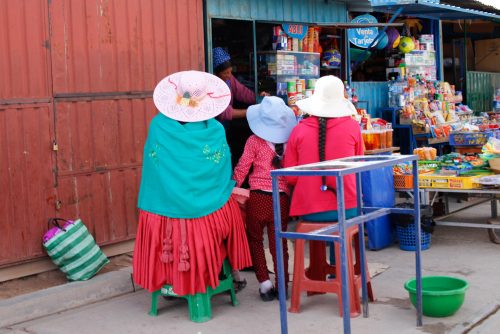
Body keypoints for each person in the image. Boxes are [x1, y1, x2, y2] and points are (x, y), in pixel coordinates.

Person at [133, 70, 252, 296]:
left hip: (163, 209)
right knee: (232, 210)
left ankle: (172, 279)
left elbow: (154, 169)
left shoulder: (158, 126)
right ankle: (222, 272)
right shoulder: (215, 130)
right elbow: (223, 170)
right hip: (210, 210)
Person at [283, 76, 363, 274]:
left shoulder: (298, 131)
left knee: (331, 224)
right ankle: (340, 269)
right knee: (341, 227)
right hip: (348, 207)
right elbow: (358, 167)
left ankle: (318, 272)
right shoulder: (353, 127)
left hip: (310, 209)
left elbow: (291, 178)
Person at [232, 96, 297, 301]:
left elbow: (242, 168)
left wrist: (231, 187)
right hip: (282, 199)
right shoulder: (290, 141)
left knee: (256, 240)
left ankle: (264, 284)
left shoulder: (254, 141)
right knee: (280, 243)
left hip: (258, 199)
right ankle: (283, 285)